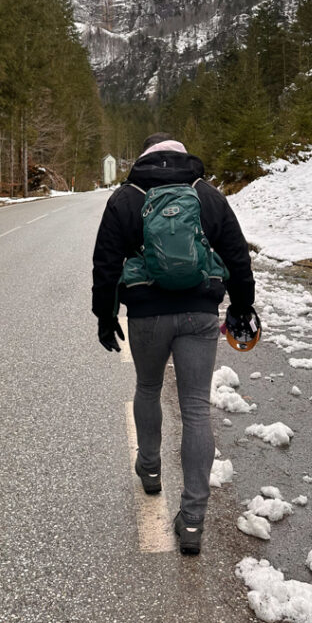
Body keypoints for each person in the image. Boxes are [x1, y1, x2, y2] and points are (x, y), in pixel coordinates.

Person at [91, 133, 256, 555]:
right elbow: (237, 255)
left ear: (145, 157)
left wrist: (106, 318)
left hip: (146, 313)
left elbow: (106, 263)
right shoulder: (207, 195)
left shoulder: (126, 197)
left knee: (147, 388)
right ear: (183, 157)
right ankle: (194, 521)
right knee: (196, 407)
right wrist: (241, 307)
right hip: (200, 313)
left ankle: (149, 469)